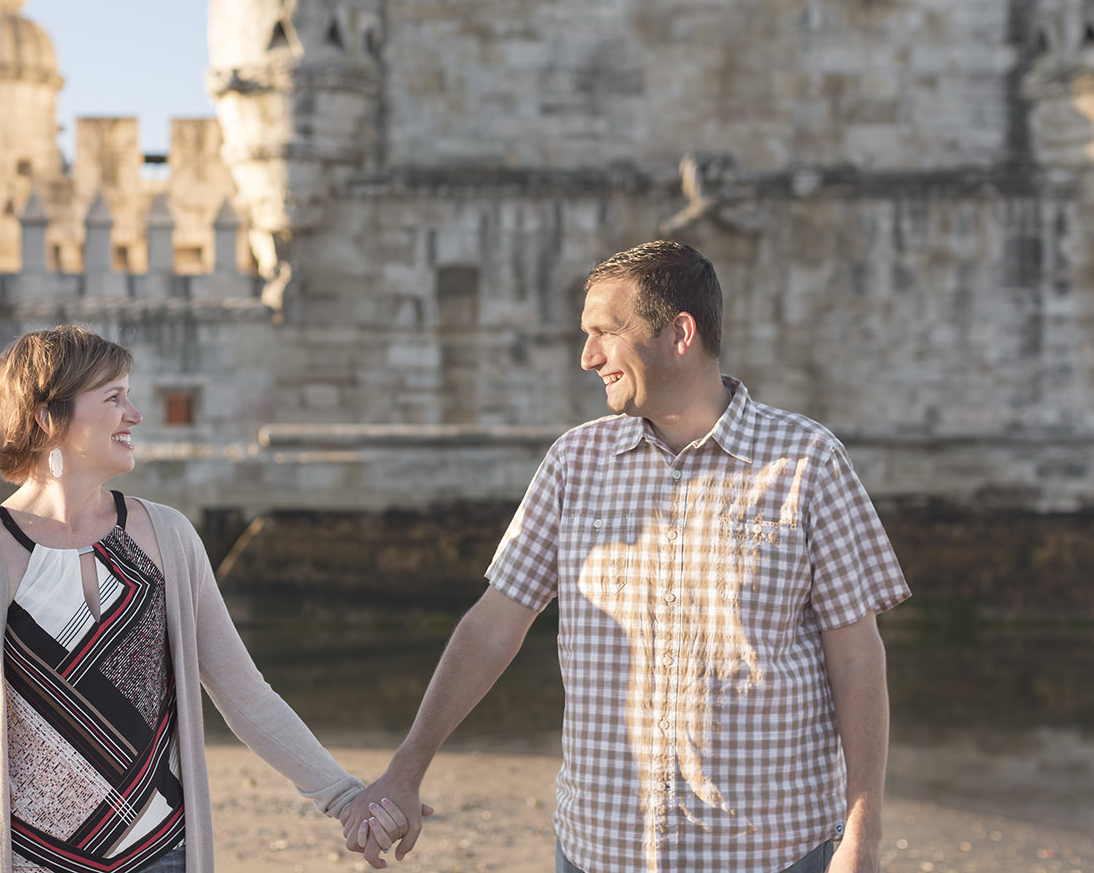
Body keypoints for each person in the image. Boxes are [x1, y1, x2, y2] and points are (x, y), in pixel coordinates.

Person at [339, 241, 911, 873]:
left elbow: (858, 658)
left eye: (606, 332)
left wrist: (862, 835)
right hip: (600, 851)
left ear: (679, 333)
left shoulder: (808, 463)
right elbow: (492, 626)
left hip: (772, 853)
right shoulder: (572, 464)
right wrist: (406, 770)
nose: (589, 358)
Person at [0, 325, 411, 873]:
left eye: (128, 394)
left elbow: (246, 695)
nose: (135, 414)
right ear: (47, 417)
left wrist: (344, 797)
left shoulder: (166, 536)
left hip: (161, 856)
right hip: (31, 861)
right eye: (113, 398)